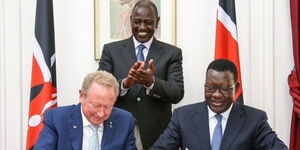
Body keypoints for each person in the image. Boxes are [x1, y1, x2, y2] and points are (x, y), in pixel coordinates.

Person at [98, 0, 184, 149]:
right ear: (130, 21)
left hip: (157, 135)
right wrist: (124, 84)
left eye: (148, 22)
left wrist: (152, 83)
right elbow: (100, 89)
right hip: (118, 130)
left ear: (157, 22)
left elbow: (177, 93)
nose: (142, 27)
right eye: (137, 22)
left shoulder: (172, 53)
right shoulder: (111, 50)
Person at [150, 59, 288, 150]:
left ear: (236, 88)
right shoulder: (183, 117)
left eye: (223, 89)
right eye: (210, 88)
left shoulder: (255, 119)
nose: (216, 94)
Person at [34, 71, 137, 150]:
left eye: (108, 107)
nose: (101, 113)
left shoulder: (125, 121)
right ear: (81, 96)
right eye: (96, 105)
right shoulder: (57, 119)